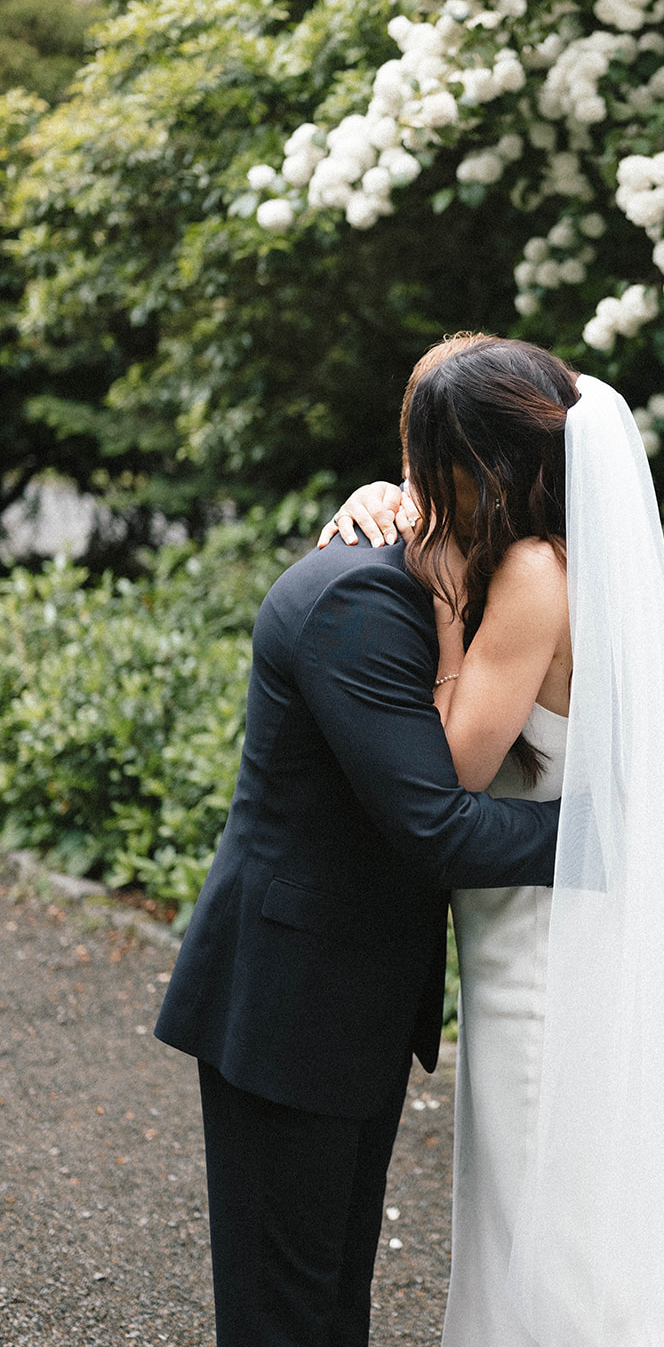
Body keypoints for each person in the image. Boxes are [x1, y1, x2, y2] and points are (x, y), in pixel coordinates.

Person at [323, 336, 664, 1347]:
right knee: (551, 1203)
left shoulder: (536, 576)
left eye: (429, 462)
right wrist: (387, 502)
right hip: (532, 927)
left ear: (482, 464)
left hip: (537, 958)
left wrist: (451, 614)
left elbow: (457, 767)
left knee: (554, 1219)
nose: (419, 484)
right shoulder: (566, 555)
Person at [154, 375, 562, 1347]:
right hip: (291, 999)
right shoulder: (360, 602)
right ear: (491, 474)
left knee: (331, 1300)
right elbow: (437, 828)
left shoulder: (438, 574)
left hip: (353, 997)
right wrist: (607, 838)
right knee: (284, 1312)